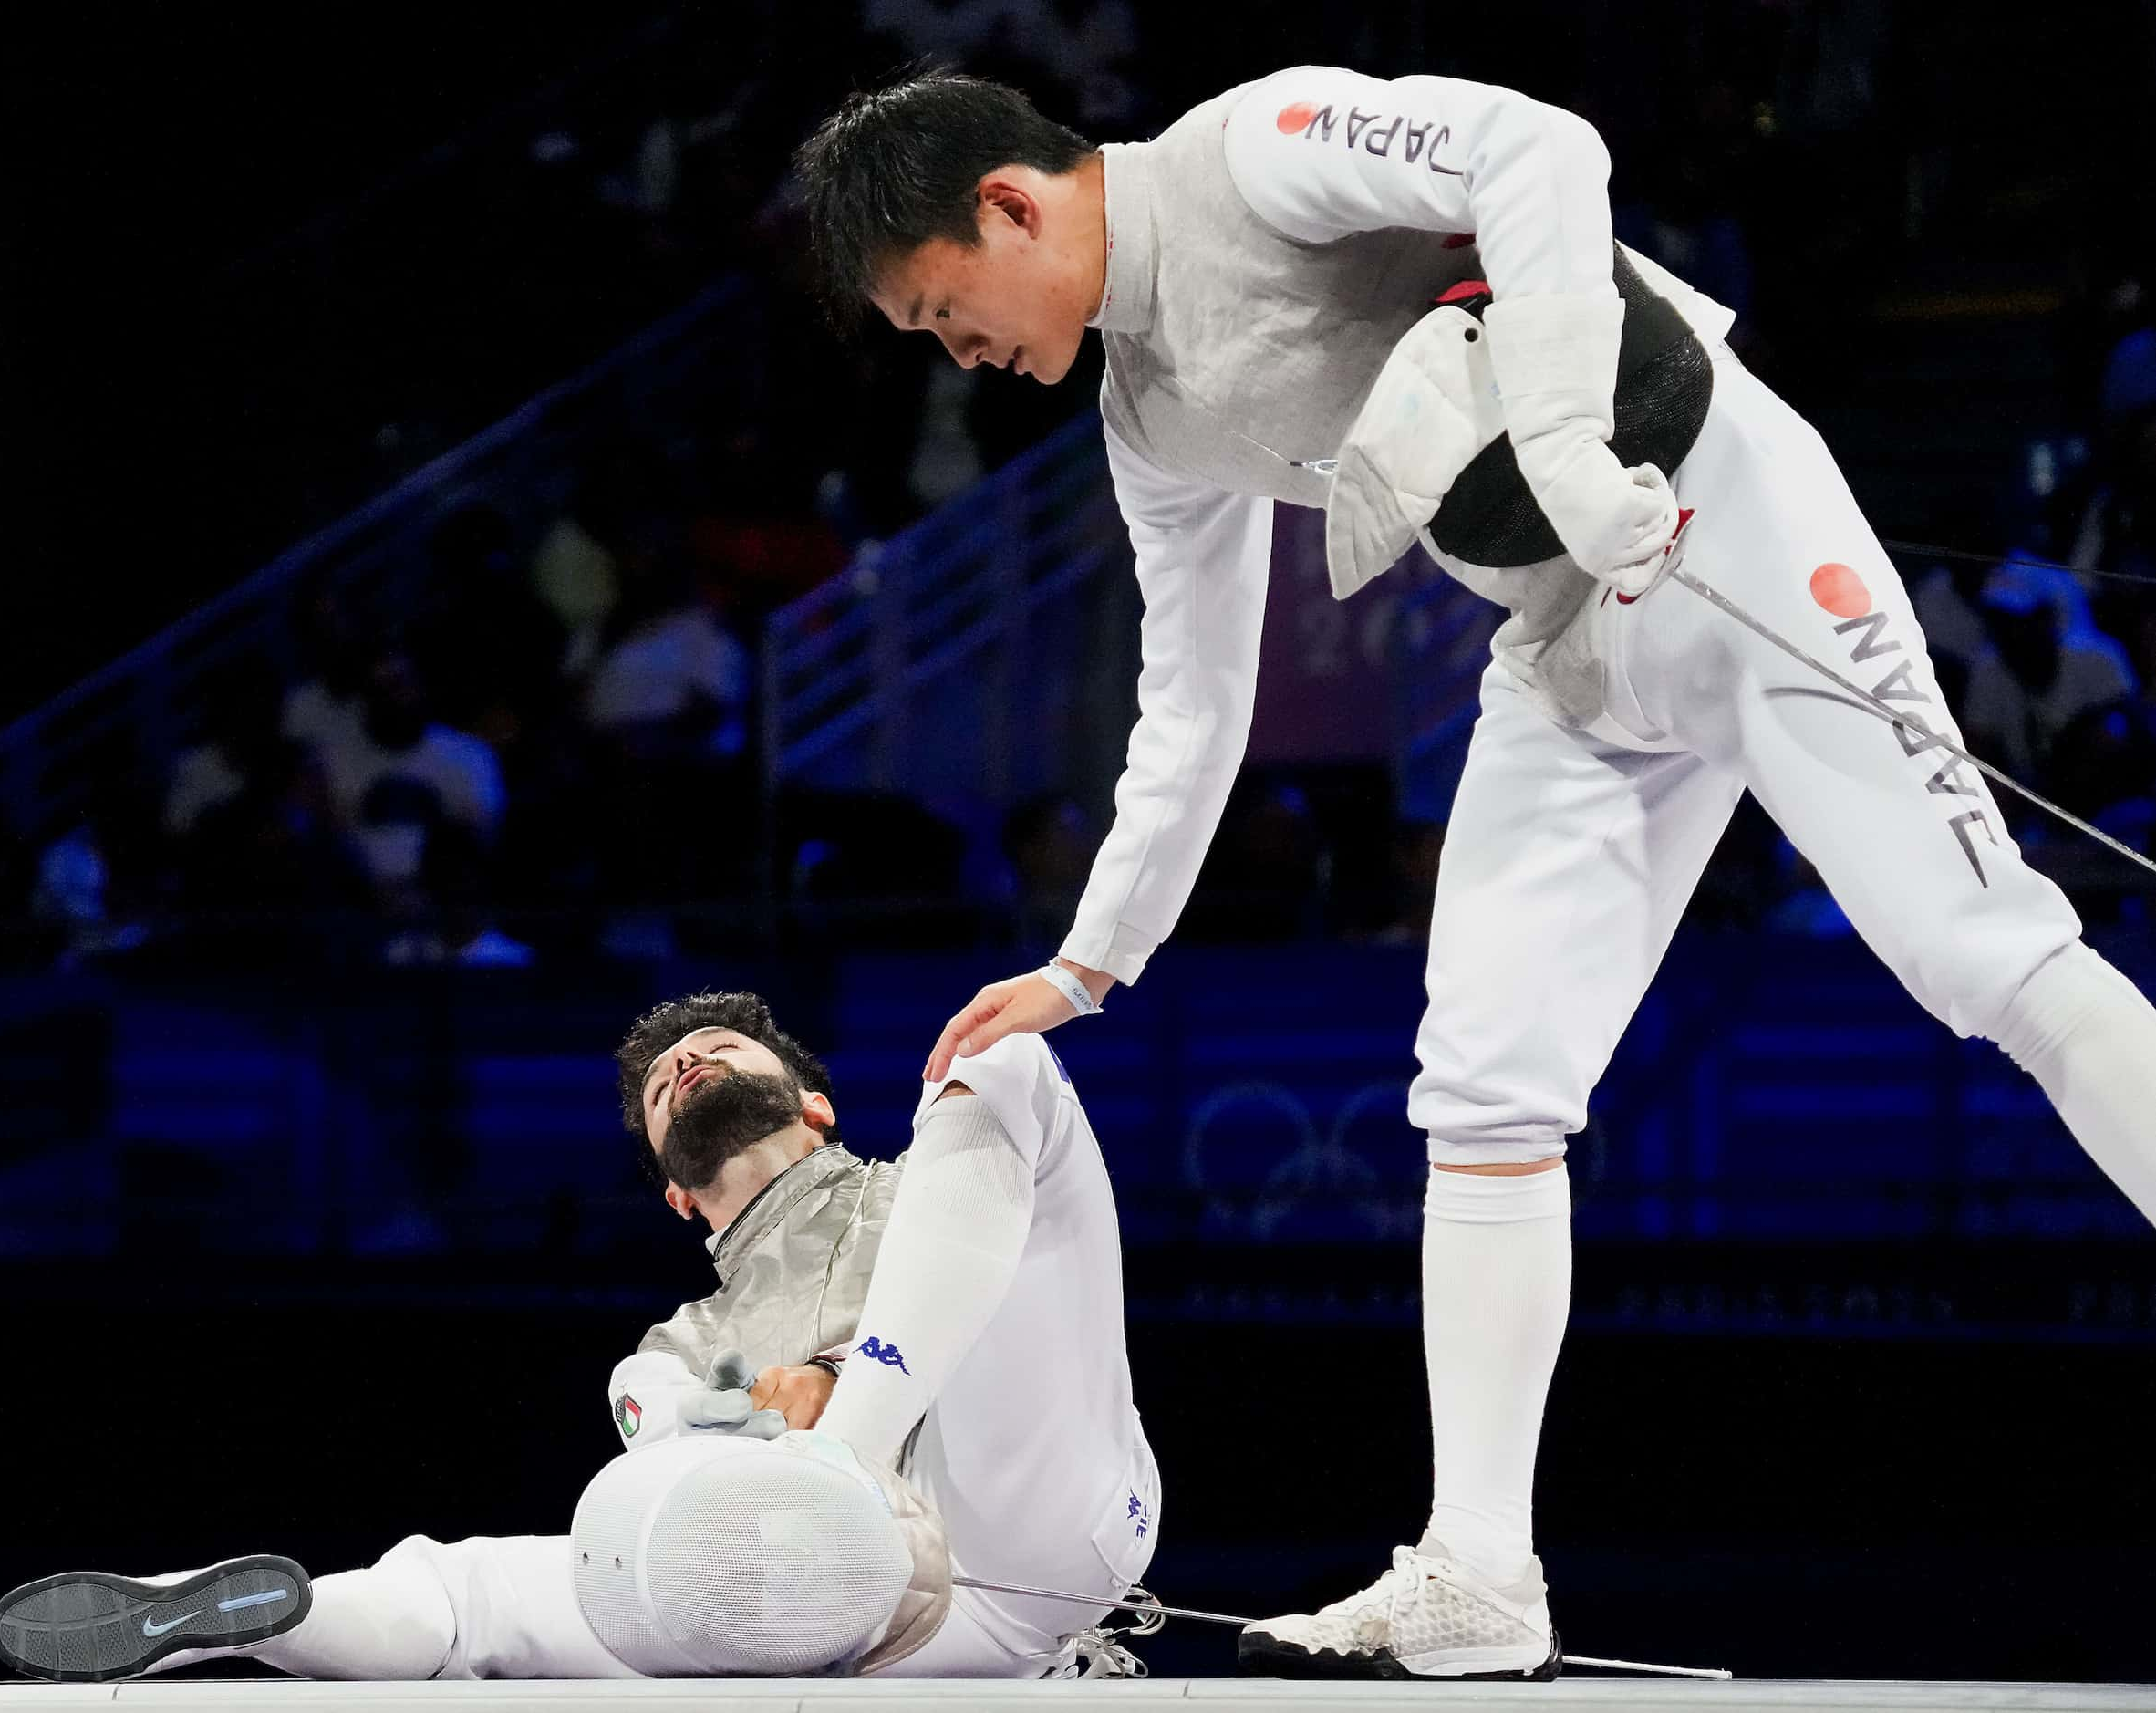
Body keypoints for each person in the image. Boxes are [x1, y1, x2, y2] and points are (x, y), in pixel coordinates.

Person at [794, 66, 2156, 1679]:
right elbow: (1194, 695)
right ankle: (1481, 1570)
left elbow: (1539, 146)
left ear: (1010, 205)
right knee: (1484, 1096)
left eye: (946, 311)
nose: (959, 359)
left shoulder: (1255, 147)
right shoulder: (1145, 413)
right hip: (1565, 646)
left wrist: (1570, 436)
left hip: (1713, 514)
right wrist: (1091, 958)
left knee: (1982, 953)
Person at [0, 991, 1160, 1682]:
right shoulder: (677, 1345)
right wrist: (752, 1418)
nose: (687, 1062)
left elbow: (993, 1235)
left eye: (719, 1048)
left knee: (1000, 1059)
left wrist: (840, 1403)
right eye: (662, 1081)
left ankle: (847, 1459)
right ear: (670, 1188)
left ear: (817, 1104)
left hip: (1032, 1512)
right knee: (466, 1589)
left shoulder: (939, 1186)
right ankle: (190, 1615)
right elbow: (679, 1467)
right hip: (869, 1610)